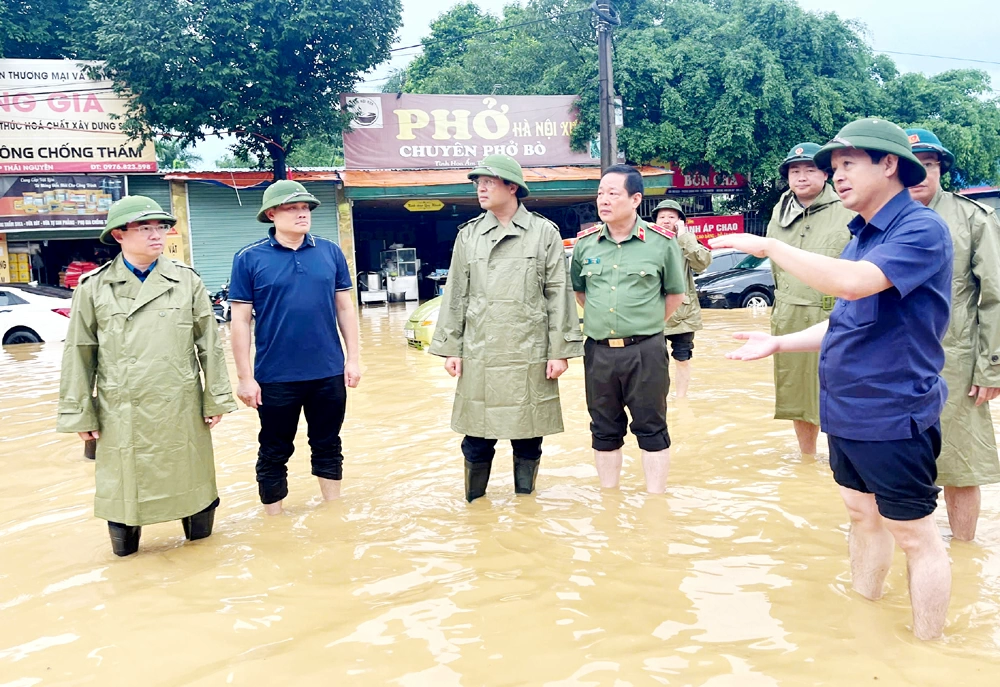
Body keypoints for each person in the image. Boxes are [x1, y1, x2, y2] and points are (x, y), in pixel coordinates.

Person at [710, 118, 953, 640]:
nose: (836, 176)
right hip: (846, 408)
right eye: (833, 167)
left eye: (847, 164)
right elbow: (847, 315)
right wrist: (779, 342)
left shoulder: (920, 228)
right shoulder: (861, 235)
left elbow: (855, 284)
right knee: (859, 514)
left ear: (889, 165)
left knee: (914, 535)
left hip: (893, 410)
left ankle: (928, 647)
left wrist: (772, 246)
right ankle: (866, 618)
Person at [57, 196, 236, 556]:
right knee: (124, 497)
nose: (157, 235)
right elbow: (79, 352)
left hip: (180, 404)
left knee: (195, 490)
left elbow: (209, 344)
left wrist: (215, 397)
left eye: (161, 227)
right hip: (121, 409)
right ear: (120, 234)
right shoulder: (94, 287)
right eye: (144, 228)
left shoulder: (186, 281)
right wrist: (79, 413)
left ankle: (201, 568)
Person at [430, 155, 583, 502]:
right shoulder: (469, 235)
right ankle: (475, 506)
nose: (480, 188)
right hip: (480, 350)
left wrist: (559, 351)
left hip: (527, 350)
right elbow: (456, 293)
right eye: (477, 182)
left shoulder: (544, 232)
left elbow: (557, 293)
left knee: (528, 436)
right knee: (475, 437)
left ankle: (525, 506)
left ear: (512, 187)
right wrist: (452, 347)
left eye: (489, 181)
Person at [230, 180, 361, 515]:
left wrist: (353, 359)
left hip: (328, 371)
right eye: (292, 208)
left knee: (328, 444)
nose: (302, 213)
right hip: (275, 377)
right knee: (274, 449)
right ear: (271, 213)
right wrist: (246, 378)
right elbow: (241, 321)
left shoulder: (330, 252)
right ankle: (274, 521)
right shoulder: (248, 258)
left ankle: (334, 511)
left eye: (305, 208)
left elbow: (345, 308)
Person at [906, 127, 1000, 541]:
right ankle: (916, 548)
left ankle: (963, 552)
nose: (921, 175)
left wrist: (991, 366)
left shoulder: (972, 219)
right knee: (896, 465)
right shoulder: (873, 219)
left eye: (929, 166)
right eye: (913, 167)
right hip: (892, 362)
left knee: (961, 466)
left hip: (954, 361)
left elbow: (994, 297)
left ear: (941, 168)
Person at [571, 165, 686, 493]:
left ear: (635, 199)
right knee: (603, 428)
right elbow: (580, 292)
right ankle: (610, 501)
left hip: (646, 351)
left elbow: (675, 294)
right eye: (600, 193)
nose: (603, 200)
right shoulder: (585, 245)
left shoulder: (661, 243)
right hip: (598, 352)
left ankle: (655, 501)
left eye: (612, 193)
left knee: (652, 426)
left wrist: (644, 325)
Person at [766, 143, 853, 457]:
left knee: (840, 392)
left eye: (810, 169)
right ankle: (807, 458)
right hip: (788, 313)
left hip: (834, 313)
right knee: (797, 395)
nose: (801, 177)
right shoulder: (780, 209)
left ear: (825, 173)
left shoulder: (847, 206)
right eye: (794, 170)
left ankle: (843, 460)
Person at [654, 199, 711, 399]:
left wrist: (685, 236)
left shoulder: (688, 241)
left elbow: (702, 263)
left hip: (683, 314)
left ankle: (681, 400)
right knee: (654, 362)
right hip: (654, 313)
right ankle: (659, 399)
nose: (666, 220)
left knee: (682, 358)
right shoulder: (648, 241)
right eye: (662, 217)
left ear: (680, 221)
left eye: (671, 217)